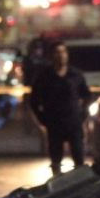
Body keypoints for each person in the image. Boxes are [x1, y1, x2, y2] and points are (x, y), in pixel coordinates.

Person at [29, 42, 91, 176]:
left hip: (73, 122)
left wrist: (83, 115)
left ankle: (80, 184)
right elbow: (34, 100)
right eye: (57, 52)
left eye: (63, 52)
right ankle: (58, 186)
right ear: (52, 56)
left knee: (78, 156)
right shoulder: (45, 76)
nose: (61, 55)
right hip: (54, 123)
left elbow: (87, 95)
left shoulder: (75, 75)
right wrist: (43, 119)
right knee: (56, 159)